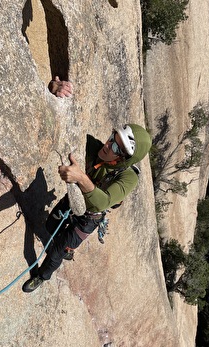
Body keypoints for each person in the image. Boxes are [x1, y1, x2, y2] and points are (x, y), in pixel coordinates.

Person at [22, 118, 152, 293]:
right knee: (50, 226)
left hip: (88, 219)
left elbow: (102, 202)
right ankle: (66, 247)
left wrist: (81, 178)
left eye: (116, 147)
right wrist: (57, 90)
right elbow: (66, 123)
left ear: (124, 158)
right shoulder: (94, 147)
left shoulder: (129, 178)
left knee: (55, 253)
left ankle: (42, 276)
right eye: (113, 137)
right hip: (73, 201)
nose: (108, 145)